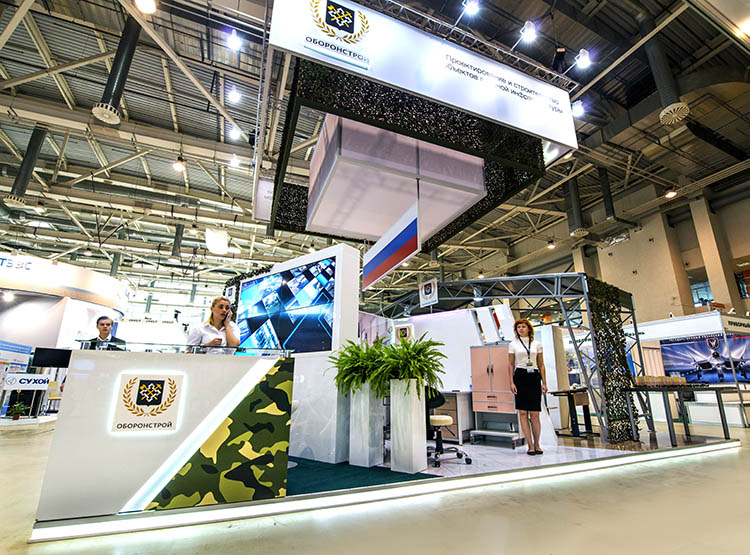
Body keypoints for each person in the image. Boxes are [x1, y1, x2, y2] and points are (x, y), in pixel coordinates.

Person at [508, 318, 548, 456]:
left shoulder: (537, 344)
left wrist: (544, 382)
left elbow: (541, 364)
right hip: (520, 376)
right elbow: (510, 365)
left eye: (523, 326)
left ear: (529, 328)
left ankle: (537, 444)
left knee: (535, 414)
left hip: (534, 377)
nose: (521, 329)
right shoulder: (513, 344)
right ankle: (530, 445)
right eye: (518, 327)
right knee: (523, 413)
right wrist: (511, 382)